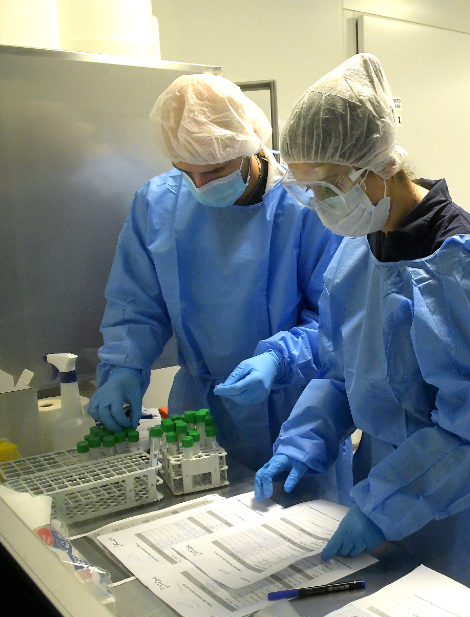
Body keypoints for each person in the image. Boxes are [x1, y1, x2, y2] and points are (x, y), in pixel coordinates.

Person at [243, 54, 470, 616]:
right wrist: (303, 442)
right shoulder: (358, 251)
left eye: (328, 187)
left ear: (379, 165)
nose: (319, 204)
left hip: (469, 498)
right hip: (389, 482)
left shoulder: (461, 267)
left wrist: (386, 504)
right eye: (307, 189)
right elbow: (341, 372)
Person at [89, 74, 349, 500]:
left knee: (304, 538)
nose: (199, 186)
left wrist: (278, 361)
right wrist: (122, 368)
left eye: (214, 171)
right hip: (201, 411)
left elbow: (335, 319)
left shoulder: (306, 205)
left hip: (295, 411)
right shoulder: (156, 203)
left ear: (250, 146)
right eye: (184, 171)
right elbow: (135, 304)